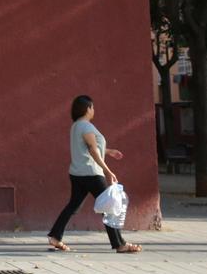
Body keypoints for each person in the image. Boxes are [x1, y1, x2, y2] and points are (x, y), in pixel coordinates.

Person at [47, 94, 141, 253]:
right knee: (109, 207)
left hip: (77, 173)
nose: (93, 110)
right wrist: (107, 170)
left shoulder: (76, 126)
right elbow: (92, 150)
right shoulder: (87, 126)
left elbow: (87, 148)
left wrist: (109, 151)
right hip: (91, 174)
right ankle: (119, 244)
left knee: (73, 206)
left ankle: (55, 236)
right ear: (87, 109)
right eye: (92, 107)